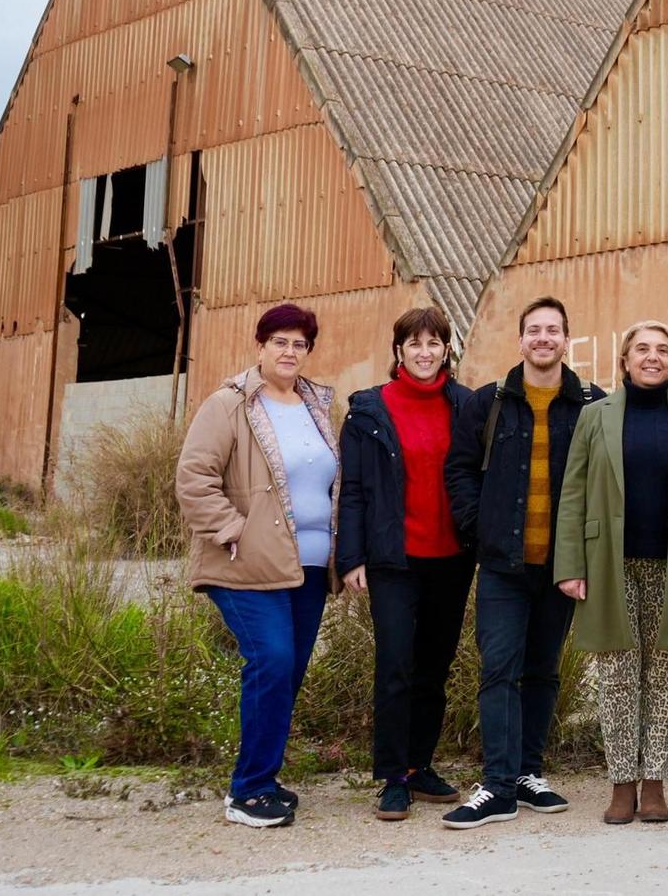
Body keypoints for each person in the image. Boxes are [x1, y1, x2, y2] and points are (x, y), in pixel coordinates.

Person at [440, 296, 605, 828]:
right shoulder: (489, 402)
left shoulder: (589, 404)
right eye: (534, 330)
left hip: (562, 567)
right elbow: (460, 470)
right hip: (504, 566)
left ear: (566, 339)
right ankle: (497, 785)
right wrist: (477, 527)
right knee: (499, 670)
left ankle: (530, 773)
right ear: (520, 340)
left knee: (543, 672)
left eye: (552, 330)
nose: (543, 339)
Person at [175, 302, 339, 829]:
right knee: (270, 660)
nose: (290, 352)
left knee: (285, 674)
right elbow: (194, 478)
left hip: (309, 568)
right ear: (261, 346)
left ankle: (262, 778)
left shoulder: (317, 404)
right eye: (280, 342)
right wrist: (233, 531)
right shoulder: (230, 404)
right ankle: (247, 790)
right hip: (246, 565)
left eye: (299, 344)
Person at [555, 321, 668, 825]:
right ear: (624, 360)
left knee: (662, 673)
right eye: (642, 349)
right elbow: (573, 492)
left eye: (662, 350)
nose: (652, 357)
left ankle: (655, 783)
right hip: (608, 563)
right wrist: (571, 565)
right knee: (618, 673)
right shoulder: (595, 415)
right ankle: (622, 783)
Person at [335, 306, 475, 822]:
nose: (424, 352)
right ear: (398, 351)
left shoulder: (465, 406)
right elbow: (351, 490)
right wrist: (351, 557)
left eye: (433, 342)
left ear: (445, 350)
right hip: (393, 559)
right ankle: (392, 777)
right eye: (414, 343)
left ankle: (419, 766)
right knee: (396, 666)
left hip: (451, 559)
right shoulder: (369, 411)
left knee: (434, 669)